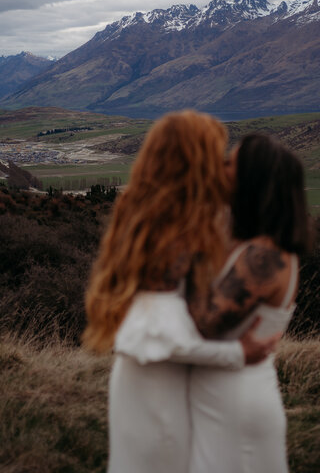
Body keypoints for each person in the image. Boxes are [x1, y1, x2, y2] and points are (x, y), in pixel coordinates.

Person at [83, 112, 279, 473]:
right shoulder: (171, 233)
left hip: (153, 380)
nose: (222, 165)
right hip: (156, 388)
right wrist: (239, 353)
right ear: (195, 159)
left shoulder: (151, 213)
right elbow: (166, 338)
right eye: (216, 154)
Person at [187, 132, 312, 473]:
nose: (220, 168)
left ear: (251, 179)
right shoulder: (246, 243)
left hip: (237, 403)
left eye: (229, 164)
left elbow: (204, 322)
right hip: (217, 394)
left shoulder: (266, 256)